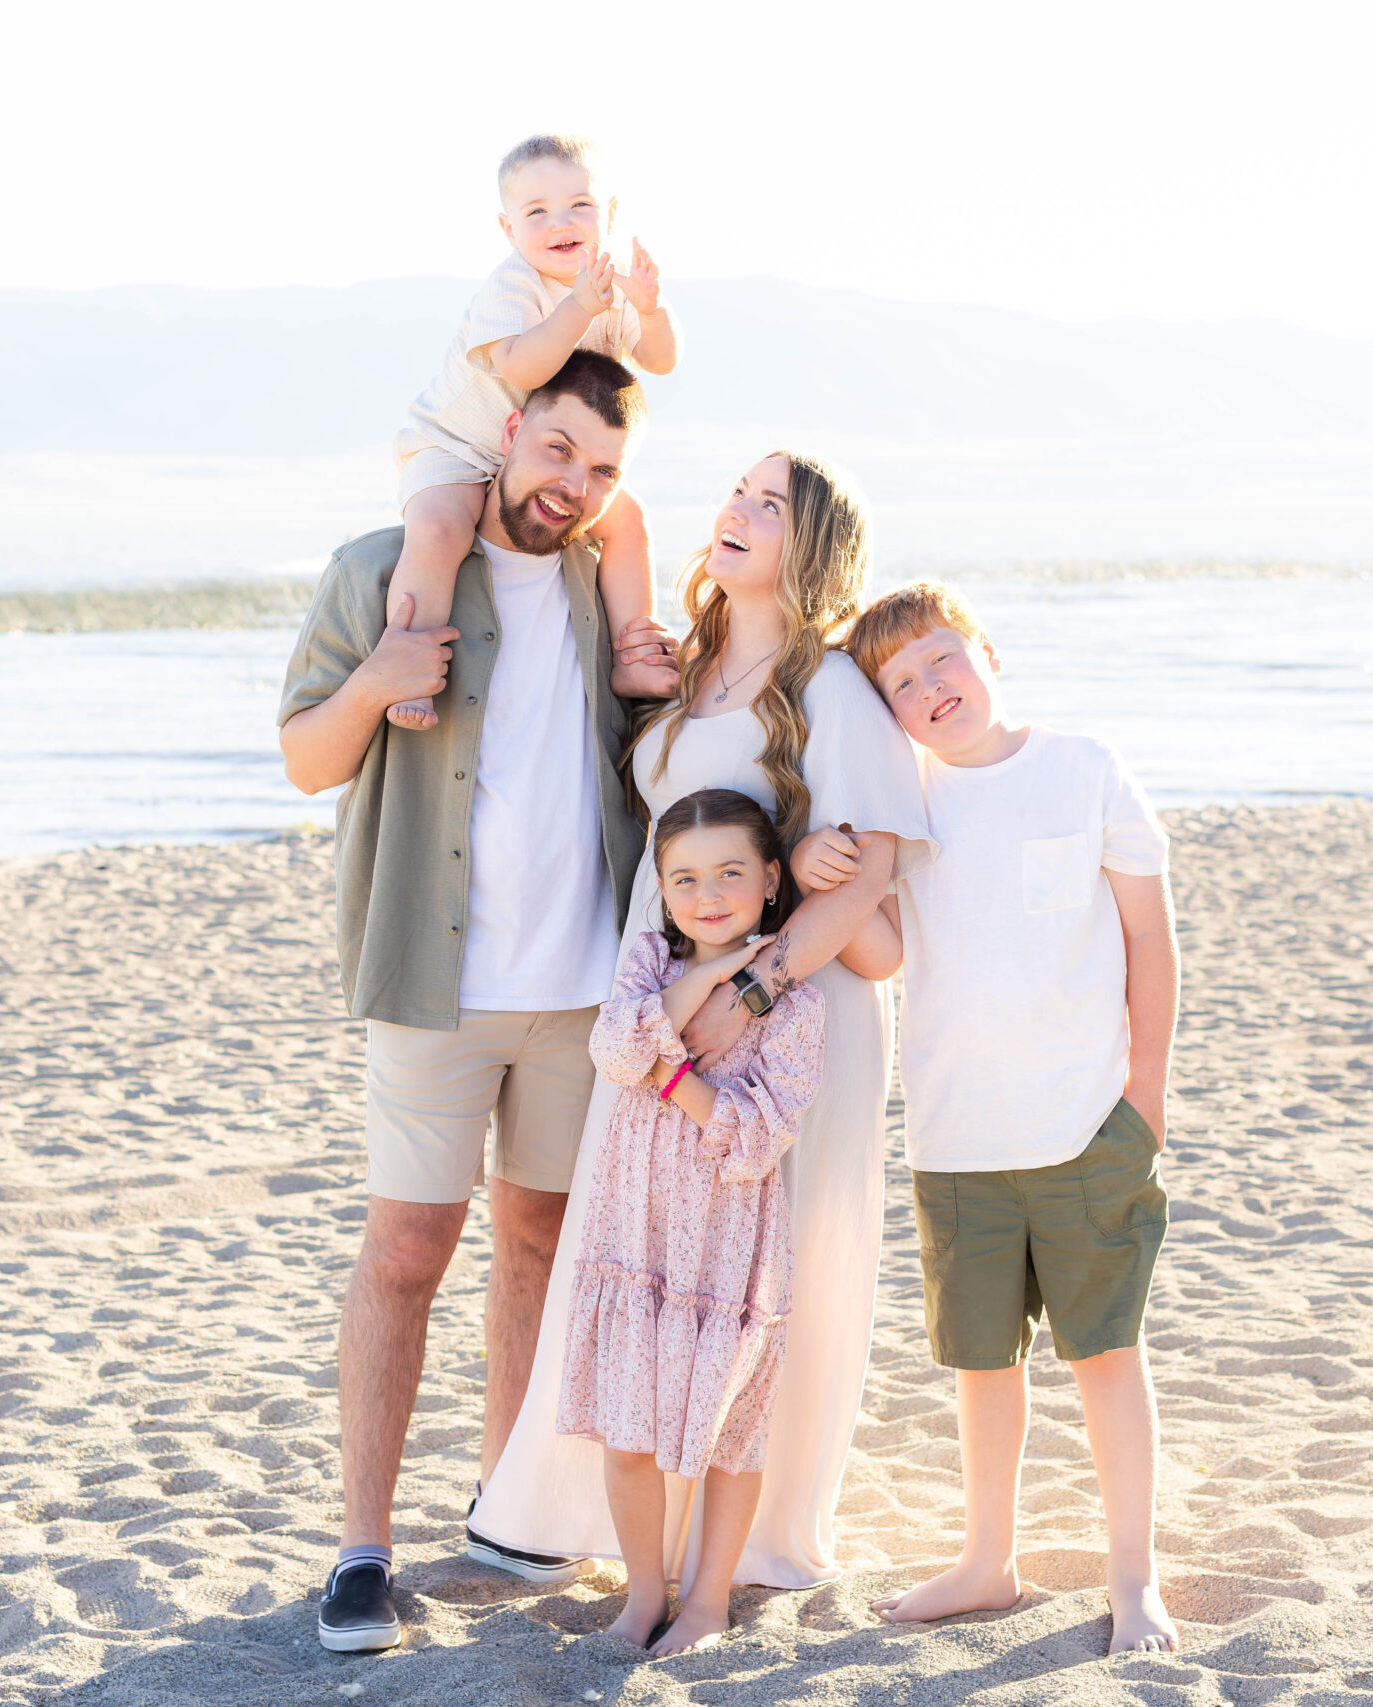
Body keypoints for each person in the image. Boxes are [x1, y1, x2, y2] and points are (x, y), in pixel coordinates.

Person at [471, 449, 935, 1597]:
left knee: (769, 1260)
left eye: (768, 505)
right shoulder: (695, 665)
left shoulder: (832, 688)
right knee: (632, 1235)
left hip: (788, 1013)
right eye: (737, 491)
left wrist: (752, 993)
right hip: (665, 990)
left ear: (809, 545)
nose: (736, 510)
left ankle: (751, 1537)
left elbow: (869, 878)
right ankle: (585, 1515)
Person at [275, 351, 671, 1654]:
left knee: (540, 1243)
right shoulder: (388, 567)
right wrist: (375, 681)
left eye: (602, 468)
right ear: (508, 431)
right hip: (433, 982)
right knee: (405, 1251)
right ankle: (362, 1551)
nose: (574, 485)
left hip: (580, 990)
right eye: (557, 449)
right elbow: (305, 759)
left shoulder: (607, 590)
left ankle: (510, 1510)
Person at [807, 580, 1181, 1655]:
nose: (930, 686)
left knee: (1105, 1355)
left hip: (1085, 1124)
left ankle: (1133, 1578)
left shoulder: (1083, 767)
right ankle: (987, 1560)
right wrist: (817, 871)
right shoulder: (903, 807)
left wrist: (1145, 1092)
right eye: (901, 682)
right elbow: (881, 952)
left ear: (987, 653)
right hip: (956, 1137)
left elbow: (1148, 935)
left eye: (942, 658)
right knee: (983, 1365)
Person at [563, 789, 826, 1655]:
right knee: (628, 1426)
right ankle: (643, 1595)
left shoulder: (797, 1005)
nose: (708, 895)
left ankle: (708, 1601)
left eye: (730, 873)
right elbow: (613, 1052)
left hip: (727, 1235)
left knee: (729, 1429)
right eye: (685, 878)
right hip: (635, 1228)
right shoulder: (649, 959)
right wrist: (706, 980)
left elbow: (757, 1136)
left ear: (771, 878)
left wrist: (673, 1079)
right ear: (662, 887)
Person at [384, 133, 681, 732]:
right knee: (441, 527)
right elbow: (524, 368)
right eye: (537, 211)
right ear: (509, 229)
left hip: (538, 456)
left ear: (610, 214)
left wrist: (650, 310)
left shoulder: (611, 282)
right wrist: (581, 307)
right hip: (458, 445)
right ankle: (407, 667)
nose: (560, 223)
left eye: (579, 205)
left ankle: (632, 653)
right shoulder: (512, 285)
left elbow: (661, 360)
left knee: (630, 521)